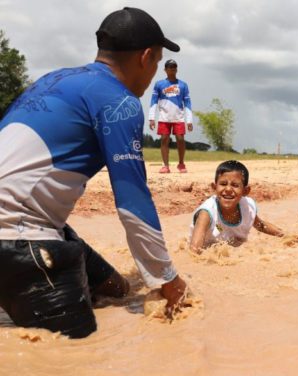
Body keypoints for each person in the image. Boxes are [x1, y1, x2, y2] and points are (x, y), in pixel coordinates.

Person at [0, 7, 187, 338]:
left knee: (118, 290)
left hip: (34, 224)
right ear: (145, 57)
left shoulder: (53, 80)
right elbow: (132, 200)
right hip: (18, 235)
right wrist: (167, 279)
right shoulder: (120, 101)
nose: (154, 71)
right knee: (75, 351)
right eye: (157, 62)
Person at [189, 160, 285, 252]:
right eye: (223, 184)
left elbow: (261, 226)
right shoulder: (206, 213)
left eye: (235, 185)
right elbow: (194, 250)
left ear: (245, 191)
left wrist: (284, 235)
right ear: (214, 187)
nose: (228, 189)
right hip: (210, 249)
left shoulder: (247, 207)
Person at [149, 58, 193, 173]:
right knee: (164, 139)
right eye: (170, 67)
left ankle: (181, 163)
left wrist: (189, 121)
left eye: (174, 67)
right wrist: (151, 118)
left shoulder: (183, 85)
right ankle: (165, 165)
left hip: (179, 117)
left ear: (176, 69)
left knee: (180, 139)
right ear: (165, 69)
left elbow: (187, 102)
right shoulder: (159, 84)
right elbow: (153, 101)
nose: (172, 68)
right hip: (164, 117)